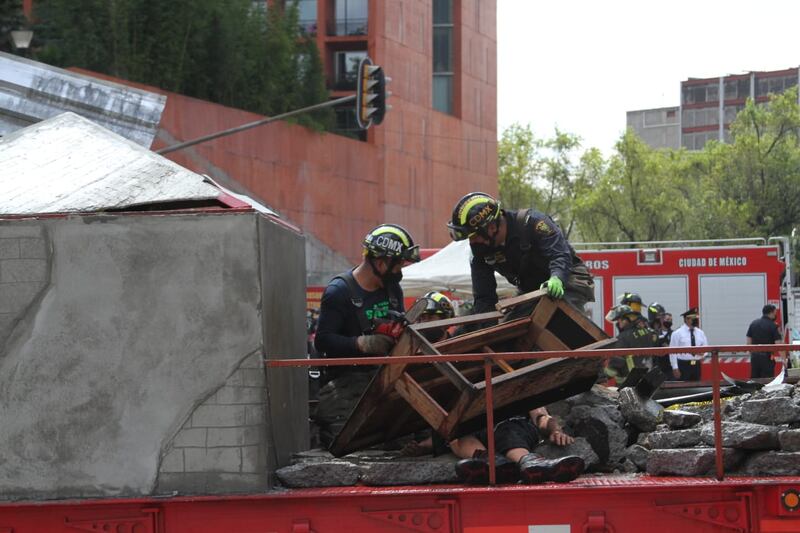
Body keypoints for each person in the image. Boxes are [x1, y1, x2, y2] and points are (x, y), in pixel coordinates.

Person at [313, 223, 420, 447]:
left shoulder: (392, 289)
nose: (400, 270)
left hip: (384, 379)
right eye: (398, 263)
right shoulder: (339, 292)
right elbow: (323, 340)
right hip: (344, 386)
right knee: (351, 445)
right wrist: (362, 344)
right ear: (380, 262)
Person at [446, 192, 594, 316]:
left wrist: (557, 277)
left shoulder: (533, 223)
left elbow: (560, 255)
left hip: (568, 279)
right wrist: (484, 330)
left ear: (491, 227)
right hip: (532, 291)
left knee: (551, 317)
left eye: (474, 236)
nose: (472, 242)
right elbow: (484, 298)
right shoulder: (480, 252)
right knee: (511, 330)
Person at [453, 407, 585, 484]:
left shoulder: (519, 381)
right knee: (454, 435)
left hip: (515, 427)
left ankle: (530, 463)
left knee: (506, 429)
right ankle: (494, 464)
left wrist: (555, 430)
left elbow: (541, 416)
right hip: (481, 433)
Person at [604, 304, 658, 380]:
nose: (618, 323)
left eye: (619, 320)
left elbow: (616, 363)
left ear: (626, 319)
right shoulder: (646, 332)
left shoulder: (623, 337)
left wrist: (601, 377)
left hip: (629, 379)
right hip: (647, 376)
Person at [669, 307, 708, 381]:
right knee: (683, 388)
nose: (696, 320)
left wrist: (703, 353)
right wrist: (675, 368)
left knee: (696, 386)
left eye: (696, 318)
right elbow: (672, 352)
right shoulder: (677, 333)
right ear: (686, 319)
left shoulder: (700, 333)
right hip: (683, 365)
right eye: (693, 318)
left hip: (696, 365)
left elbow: (706, 348)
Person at [746, 304, 783, 378]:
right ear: (771, 313)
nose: (775, 315)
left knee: (755, 380)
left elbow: (748, 340)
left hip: (754, 357)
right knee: (767, 381)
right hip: (767, 358)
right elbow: (779, 345)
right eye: (775, 313)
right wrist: (784, 360)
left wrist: (751, 352)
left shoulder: (754, 323)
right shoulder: (773, 325)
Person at [647, 302, 673, 376]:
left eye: (662, 316)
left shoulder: (669, 332)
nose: (662, 318)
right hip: (652, 366)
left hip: (667, 367)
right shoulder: (647, 332)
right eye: (660, 316)